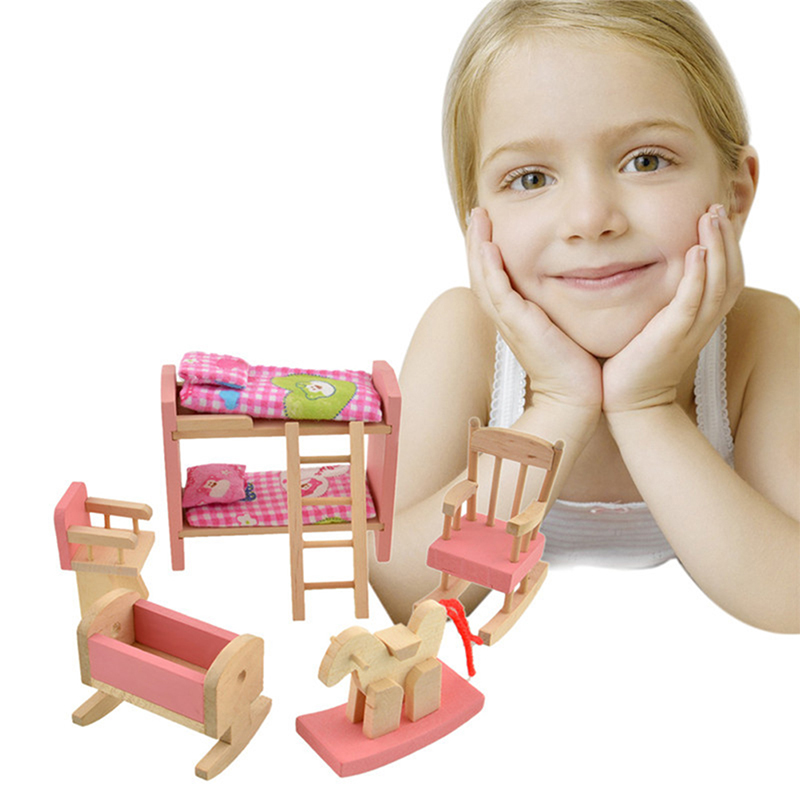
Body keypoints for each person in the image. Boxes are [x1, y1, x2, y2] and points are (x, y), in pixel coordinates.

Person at [369, 0, 799, 633]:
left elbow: (791, 596)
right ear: (474, 220)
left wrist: (646, 406)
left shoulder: (763, 335)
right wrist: (559, 403)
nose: (591, 218)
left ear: (735, 194)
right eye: (531, 178)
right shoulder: (465, 335)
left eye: (646, 161)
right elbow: (402, 589)